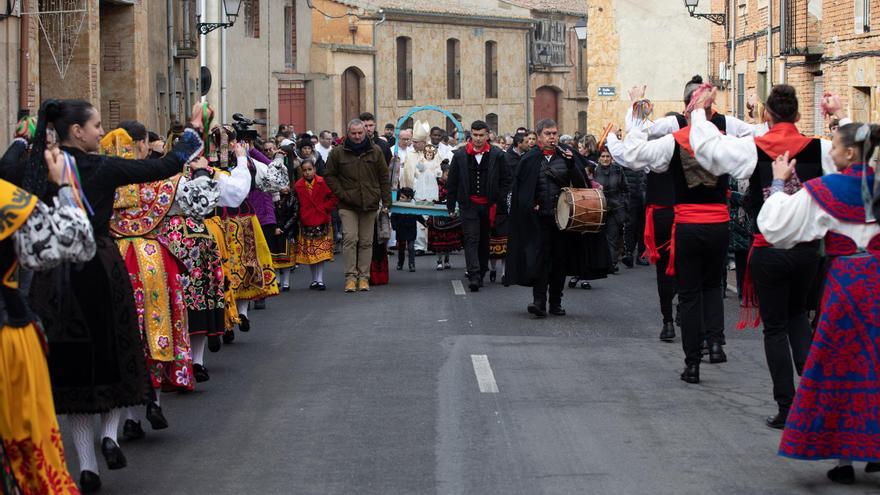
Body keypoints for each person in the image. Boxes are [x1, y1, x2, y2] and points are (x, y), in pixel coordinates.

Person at [27, 99, 208, 493]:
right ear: (76, 131)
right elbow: (161, 166)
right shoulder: (102, 167)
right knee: (112, 354)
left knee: (75, 365)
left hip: (54, 273)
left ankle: (86, 464)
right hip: (98, 265)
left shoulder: (38, 166)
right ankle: (108, 436)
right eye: (94, 126)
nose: (99, 133)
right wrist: (192, 133)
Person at [689, 84, 847, 426]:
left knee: (774, 328)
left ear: (769, 115)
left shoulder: (754, 147)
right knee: (798, 317)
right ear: (798, 115)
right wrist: (839, 114)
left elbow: (710, 151)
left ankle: (787, 407)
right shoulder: (819, 149)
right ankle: (816, 395)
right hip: (808, 252)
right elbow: (856, 159)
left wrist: (700, 111)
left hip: (768, 250)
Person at [759, 124, 879, 485]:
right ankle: (874, 450)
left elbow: (777, 226)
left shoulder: (827, 189)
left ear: (848, 155)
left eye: (835, 149)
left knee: (839, 366)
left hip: (847, 286)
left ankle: (844, 460)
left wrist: (779, 182)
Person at [105, 122, 218, 434]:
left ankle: (127, 418)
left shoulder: (103, 178)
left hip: (113, 258)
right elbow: (203, 205)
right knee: (158, 327)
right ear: (142, 144)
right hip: (152, 259)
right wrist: (202, 174)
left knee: (123, 334)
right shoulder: (159, 181)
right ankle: (153, 400)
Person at [618, 78, 732, 383]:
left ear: (688, 106)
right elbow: (749, 162)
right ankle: (716, 342)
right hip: (719, 224)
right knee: (712, 287)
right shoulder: (725, 138)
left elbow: (633, 154)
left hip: (688, 224)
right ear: (711, 108)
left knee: (691, 293)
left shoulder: (675, 139)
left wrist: (638, 114)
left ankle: (692, 363)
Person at [0, 142, 95, 495]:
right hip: (6, 339)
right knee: (22, 439)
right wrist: (64, 186)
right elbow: (76, 244)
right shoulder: (9, 202)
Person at [507, 119, 610, 316]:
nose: (552, 137)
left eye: (554, 133)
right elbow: (521, 190)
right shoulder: (529, 160)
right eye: (548, 133)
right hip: (539, 219)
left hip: (564, 221)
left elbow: (582, 186)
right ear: (538, 136)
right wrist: (530, 205)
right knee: (540, 260)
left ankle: (555, 302)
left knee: (559, 262)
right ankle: (539, 301)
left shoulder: (568, 156)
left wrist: (571, 165)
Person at [324, 118, 392, 292]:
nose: (357, 136)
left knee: (366, 242)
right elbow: (329, 176)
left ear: (365, 132)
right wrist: (342, 194)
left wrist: (386, 202)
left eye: (360, 133)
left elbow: (384, 178)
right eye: (353, 133)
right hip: (348, 204)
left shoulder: (375, 151)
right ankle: (350, 277)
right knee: (350, 239)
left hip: (369, 203)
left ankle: (364, 277)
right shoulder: (338, 153)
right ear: (348, 133)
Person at [445, 120, 511, 291]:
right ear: (471, 135)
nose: (478, 139)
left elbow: (506, 180)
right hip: (468, 204)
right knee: (471, 239)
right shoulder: (460, 155)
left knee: (483, 240)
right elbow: (452, 181)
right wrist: (450, 206)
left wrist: (500, 200)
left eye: (482, 135)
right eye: (475, 135)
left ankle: (481, 271)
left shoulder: (498, 155)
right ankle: (474, 274)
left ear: (488, 135)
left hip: (489, 205)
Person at [293, 160, 337, 290]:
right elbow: (296, 203)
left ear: (314, 169)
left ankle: (320, 279)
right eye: (304, 170)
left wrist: (324, 208)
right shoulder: (298, 185)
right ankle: (314, 279)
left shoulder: (322, 182)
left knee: (320, 251)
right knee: (311, 252)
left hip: (321, 219)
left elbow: (333, 197)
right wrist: (301, 214)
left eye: (309, 169)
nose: (307, 172)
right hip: (306, 221)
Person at [593, 149, 629, 273]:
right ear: (599, 158)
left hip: (615, 207)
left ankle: (612, 263)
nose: (605, 159)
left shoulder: (618, 170)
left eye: (608, 156)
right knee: (598, 237)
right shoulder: (594, 171)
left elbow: (625, 188)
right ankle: (600, 263)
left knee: (612, 237)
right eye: (602, 156)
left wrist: (623, 202)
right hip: (599, 207)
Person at [427, 162, 463, 270]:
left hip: (449, 214)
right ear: (442, 173)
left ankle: (447, 260)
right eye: (447, 174)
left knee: (448, 239)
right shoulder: (436, 184)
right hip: (438, 214)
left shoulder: (454, 184)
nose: (449, 177)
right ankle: (439, 261)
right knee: (439, 239)